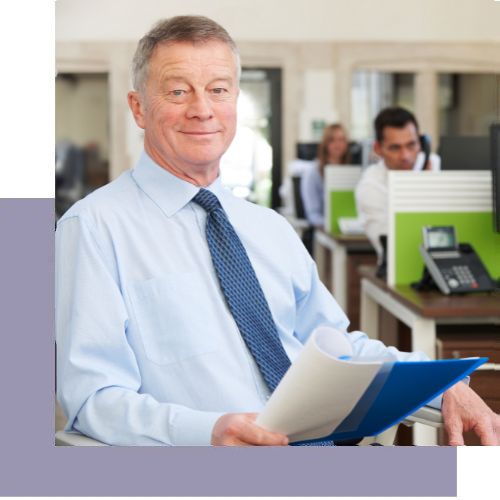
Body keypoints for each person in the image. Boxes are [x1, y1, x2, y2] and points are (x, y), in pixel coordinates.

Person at [56, 16, 499, 447]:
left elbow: (336, 349)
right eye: (177, 91)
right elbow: (92, 399)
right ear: (138, 108)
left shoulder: (268, 228)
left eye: (218, 90)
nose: (202, 109)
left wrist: (440, 384)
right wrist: (207, 433)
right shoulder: (94, 227)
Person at [355, 107, 440, 261]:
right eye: (395, 148)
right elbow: (392, 245)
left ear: (421, 143)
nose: (405, 156)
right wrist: (422, 188)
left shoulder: (434, 164)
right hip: (396, 271)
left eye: (411, 145)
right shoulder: (370, 186)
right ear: (378, 149)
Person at [300, 123, 350, 227]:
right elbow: (313, 215)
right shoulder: (313, 173)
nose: (338, 144)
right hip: (323, 232)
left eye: (341, 140)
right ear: (325, 144)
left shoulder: (349, 172)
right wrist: (332, 224)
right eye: (332, 140)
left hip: (347, 229)